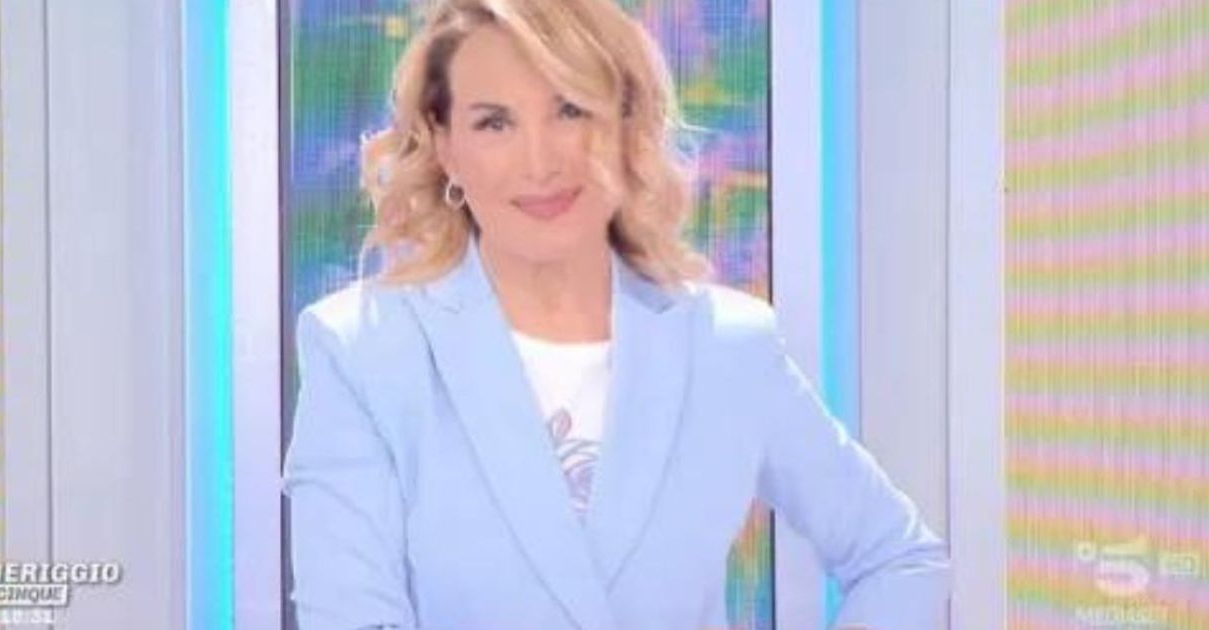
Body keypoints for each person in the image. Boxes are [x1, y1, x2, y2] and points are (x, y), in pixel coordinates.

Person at [282, 0, 950, 628]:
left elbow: (899, 559)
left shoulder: (728, 346)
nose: (540, 162)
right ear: (445, 146)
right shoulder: (362, 350)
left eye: (570, 109)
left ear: (628, 126)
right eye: (495, 123)